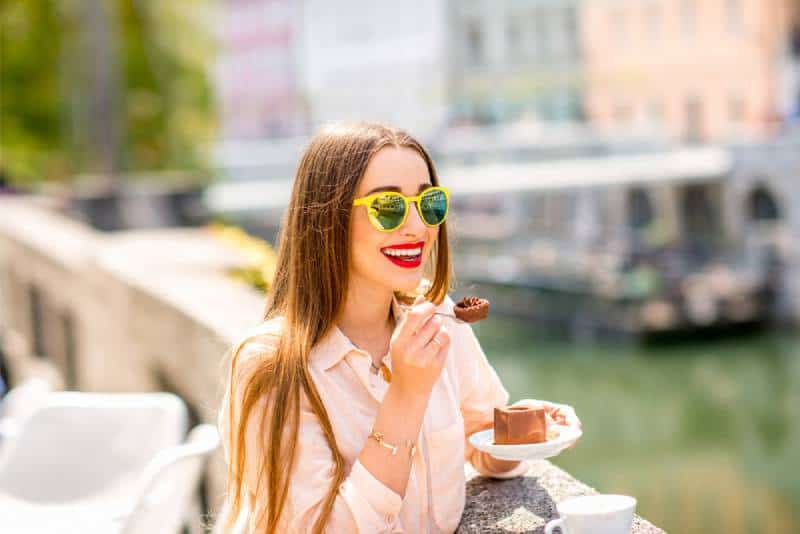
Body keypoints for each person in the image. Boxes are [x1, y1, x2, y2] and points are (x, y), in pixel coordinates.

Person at [217, 122, 581, 533]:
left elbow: (479, 438)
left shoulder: (439, 319)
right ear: (327, 218)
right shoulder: (269, 367)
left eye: (429, 205)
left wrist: (526, 431)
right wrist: (407, 394)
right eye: (388, 207)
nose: (417, 227)